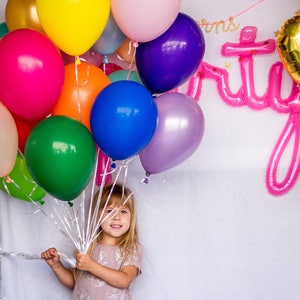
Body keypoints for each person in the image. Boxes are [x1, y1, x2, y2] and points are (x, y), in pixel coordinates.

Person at [41, 182, 143, 300]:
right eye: (109, 211)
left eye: (123, 211)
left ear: (132, 217)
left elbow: (124, 280)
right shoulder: (86, 244)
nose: (117, 217)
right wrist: (56, 265)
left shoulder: (131, 248)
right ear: (96, 215)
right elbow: (74, 282)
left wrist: (91, 266)